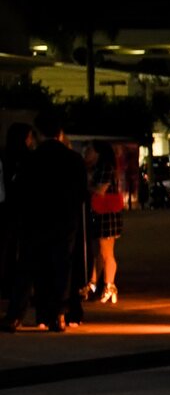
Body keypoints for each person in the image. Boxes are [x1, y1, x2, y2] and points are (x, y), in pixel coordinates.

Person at [17, 113, 90, 333]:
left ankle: (40, 313)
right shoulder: (74, 159)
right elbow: (82, 193)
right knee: (62, 265)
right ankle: (59, 313)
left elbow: (23, 191)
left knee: (39, 266)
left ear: (38, 134)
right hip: (66, 219)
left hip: (37, 219)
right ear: (59, 133)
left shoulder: (32, 159)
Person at [2, 122, 36, 328]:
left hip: (7, 213)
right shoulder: (30, 159)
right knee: (25, 261)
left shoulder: (5, 157)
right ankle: (17, 308)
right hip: (26, 216)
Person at [86, 143, 125, 305]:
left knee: (106, 252)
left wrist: (87, 184)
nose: (87, 153)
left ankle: (109, 285)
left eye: (90, 150)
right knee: (100, 252)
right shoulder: (100, 168)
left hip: (106, 214)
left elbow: (100, 190)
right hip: (103, 213)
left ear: (99, 153)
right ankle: (95, 284)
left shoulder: (105, 168)